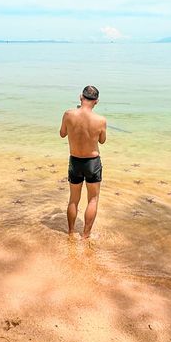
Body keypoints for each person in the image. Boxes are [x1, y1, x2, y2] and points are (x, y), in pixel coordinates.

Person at [59, 85, 107, 238]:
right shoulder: (100, 120)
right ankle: (85, 236)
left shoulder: (68, 114)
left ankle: (71, 232)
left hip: (75, 161)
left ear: (81, 97)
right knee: (93, 199)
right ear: (96, 101)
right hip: (92, 162)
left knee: (73, 198)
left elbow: (62, 134)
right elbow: (102, 140)